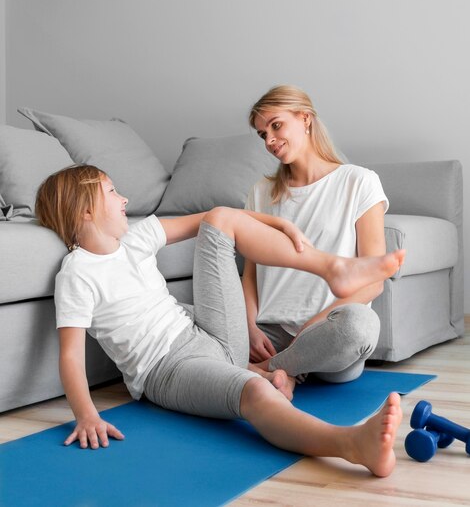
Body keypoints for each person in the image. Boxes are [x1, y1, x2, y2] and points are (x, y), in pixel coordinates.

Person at [35, 164, 405, 477]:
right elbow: (70, 355)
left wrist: (276, 224)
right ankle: (352, 445)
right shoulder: (78, 274)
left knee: (218, 217)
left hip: (208, 333)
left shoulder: (136, 239)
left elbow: (218, 218)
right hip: (168, 368)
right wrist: (86, 415)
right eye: (113, 192)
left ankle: (333, 269)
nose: (124, 200)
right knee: (256, 393)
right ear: (85, 210)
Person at [245, 84, 392, 383]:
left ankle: (268, 372)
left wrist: (308, 332)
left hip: (328, 334)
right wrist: (248, 328)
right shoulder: (260, 193)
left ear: (305, 118)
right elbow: (250, 272)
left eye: (276, 126)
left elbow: (374, 280)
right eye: (263, 134)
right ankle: (282, 370)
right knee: (180, 317)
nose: (270, 140)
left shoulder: (359, 181)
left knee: (359, 326)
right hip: (269, 334)